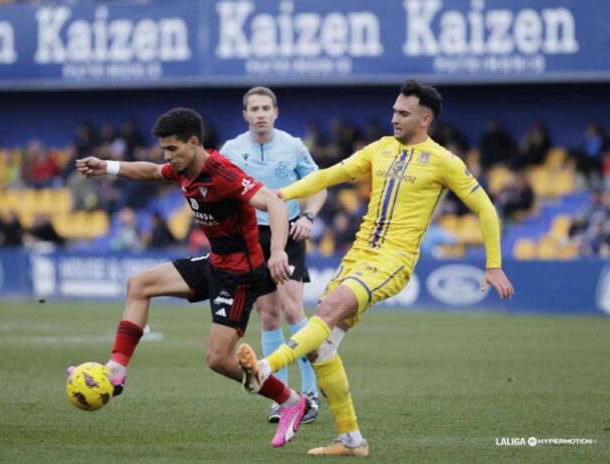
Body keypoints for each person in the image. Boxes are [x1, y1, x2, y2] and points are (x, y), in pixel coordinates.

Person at [235, 81, 515, 457]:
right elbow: (328, 175)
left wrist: (493, 265)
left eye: (403, 113)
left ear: (425, 118)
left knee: (328, 309)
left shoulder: (444, 161)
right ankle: (351, 440)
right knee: (322, 350)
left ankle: (267, 369)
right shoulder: (380, 148)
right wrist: (283, 194)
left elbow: (485, 208)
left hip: (393, 262)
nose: (394, 117)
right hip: (358, 255)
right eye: (394, 110)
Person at [73, 108, 309, 448]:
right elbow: (153, 172)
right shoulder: (184, 168)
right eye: (165, 150)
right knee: (139, 285)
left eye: (172, 149)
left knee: (218, 360)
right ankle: (115, 369)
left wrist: (277, 253)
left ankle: (291, 401)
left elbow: (274, 203)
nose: (167, 157)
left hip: (241, 274)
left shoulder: (222, 173)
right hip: (216, 263)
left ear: (194, 142)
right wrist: (107, 167)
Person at [220, 86, 327, 424]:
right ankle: (281, 397)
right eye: (255, 108)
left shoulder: (293, 146)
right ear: (245, 115)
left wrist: (308, 217)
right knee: (268, 317)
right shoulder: (232, 150)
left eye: (267, 107)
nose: (261, 113)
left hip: (289, 230)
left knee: (294, 310)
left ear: (276, 113)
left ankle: (310, 392)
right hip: (251, 236)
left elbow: (319, 184)